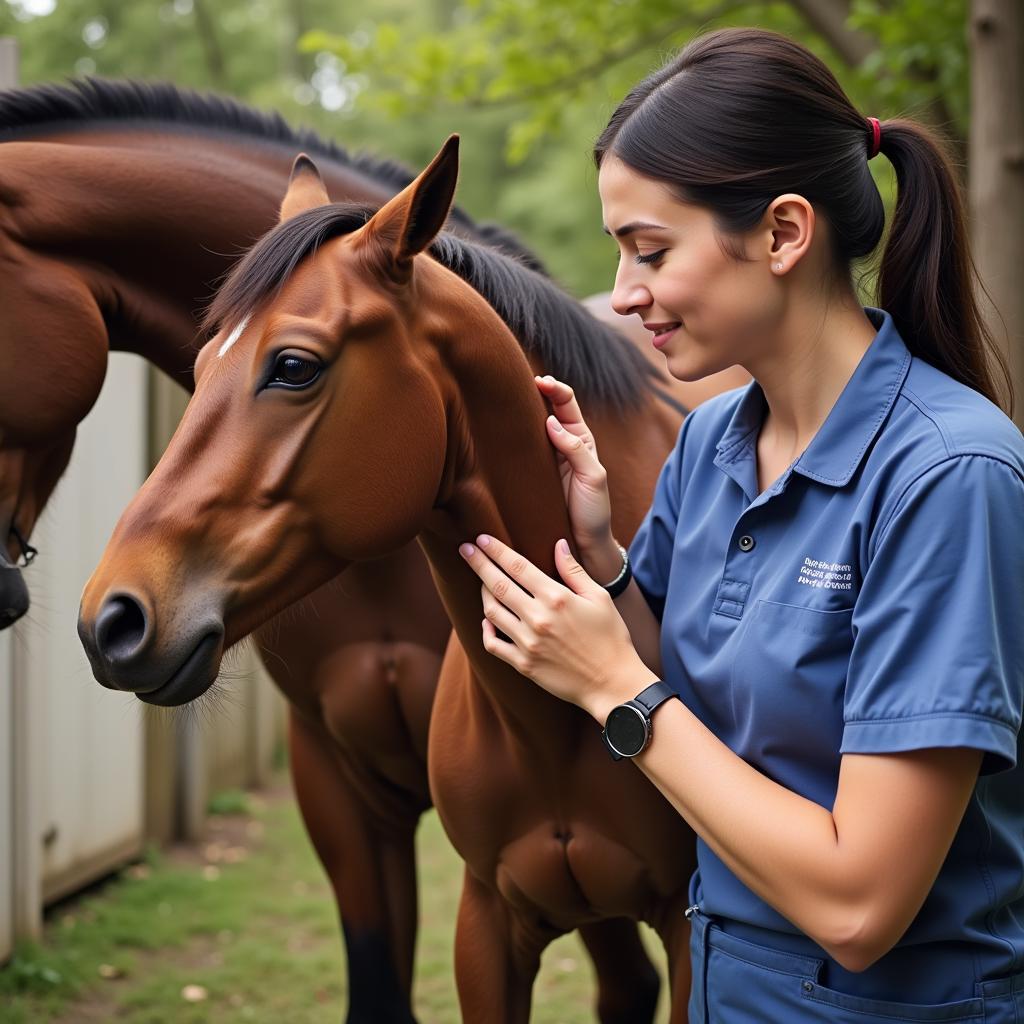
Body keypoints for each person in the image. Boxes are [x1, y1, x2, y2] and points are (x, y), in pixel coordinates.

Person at [458, 26, 1024, 1022]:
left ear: (781, 234)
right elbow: (685, 677)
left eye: (650, 250)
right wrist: (602, 561)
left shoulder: (948, 478)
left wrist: (614, 690)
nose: (624, 296)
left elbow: (860, 903)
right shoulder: (715, 436)